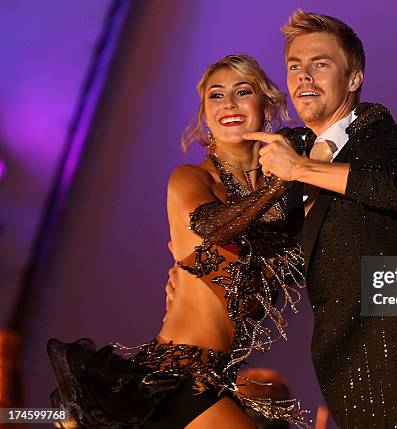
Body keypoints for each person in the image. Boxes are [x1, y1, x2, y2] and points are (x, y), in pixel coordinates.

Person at [246, 11, 397, 429]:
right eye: (294, 67)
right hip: (348, 372)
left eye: (319, 65)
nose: (304, 77)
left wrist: (300, 169)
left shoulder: (387, 139)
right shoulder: (289, 154)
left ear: (353, 78)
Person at [47, 54, 310, 429]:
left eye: (243, 91)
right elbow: (210, 224)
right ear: (204, 114)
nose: (230, 104)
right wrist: (287, 178)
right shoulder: (190, 179)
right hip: (176, 376)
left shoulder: (282, 203)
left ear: (266, 103)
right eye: (216, 96)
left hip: (212, 381)